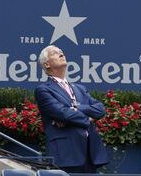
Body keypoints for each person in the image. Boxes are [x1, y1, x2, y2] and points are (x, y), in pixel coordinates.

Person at [34, 45, 109, 173]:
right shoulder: (43, 90)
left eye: (61, 51)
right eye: (55, 53)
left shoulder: (79, 88)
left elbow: (100, 109)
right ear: (47, 64)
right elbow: (62, 113)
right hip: (66, 154)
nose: (61, 53)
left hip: (90, 154)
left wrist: (76, 107)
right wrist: (88, 118)